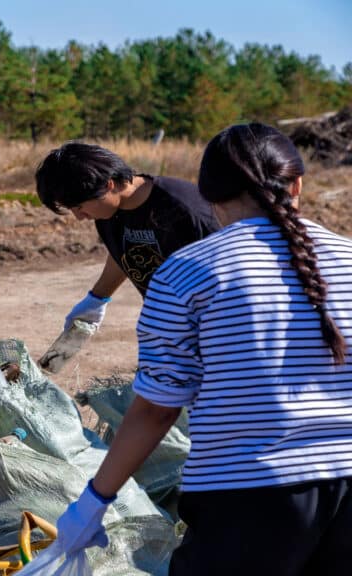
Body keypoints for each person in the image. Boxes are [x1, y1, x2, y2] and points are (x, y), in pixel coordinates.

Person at [54, 123, 352, 575]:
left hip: (248, 498)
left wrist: (94, 501)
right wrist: (98, 296)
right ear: (297, 184)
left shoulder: (184, 274)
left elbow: (156, 410)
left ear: (209, 197)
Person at [35, 143, 219, 334]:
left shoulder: (185, 209)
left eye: (79, 207)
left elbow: (235, 265)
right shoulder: (108, 215)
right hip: (170, 329)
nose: (80, 217)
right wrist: (97, 298)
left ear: (108, 185)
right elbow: (124, 252)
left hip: (217, 326)